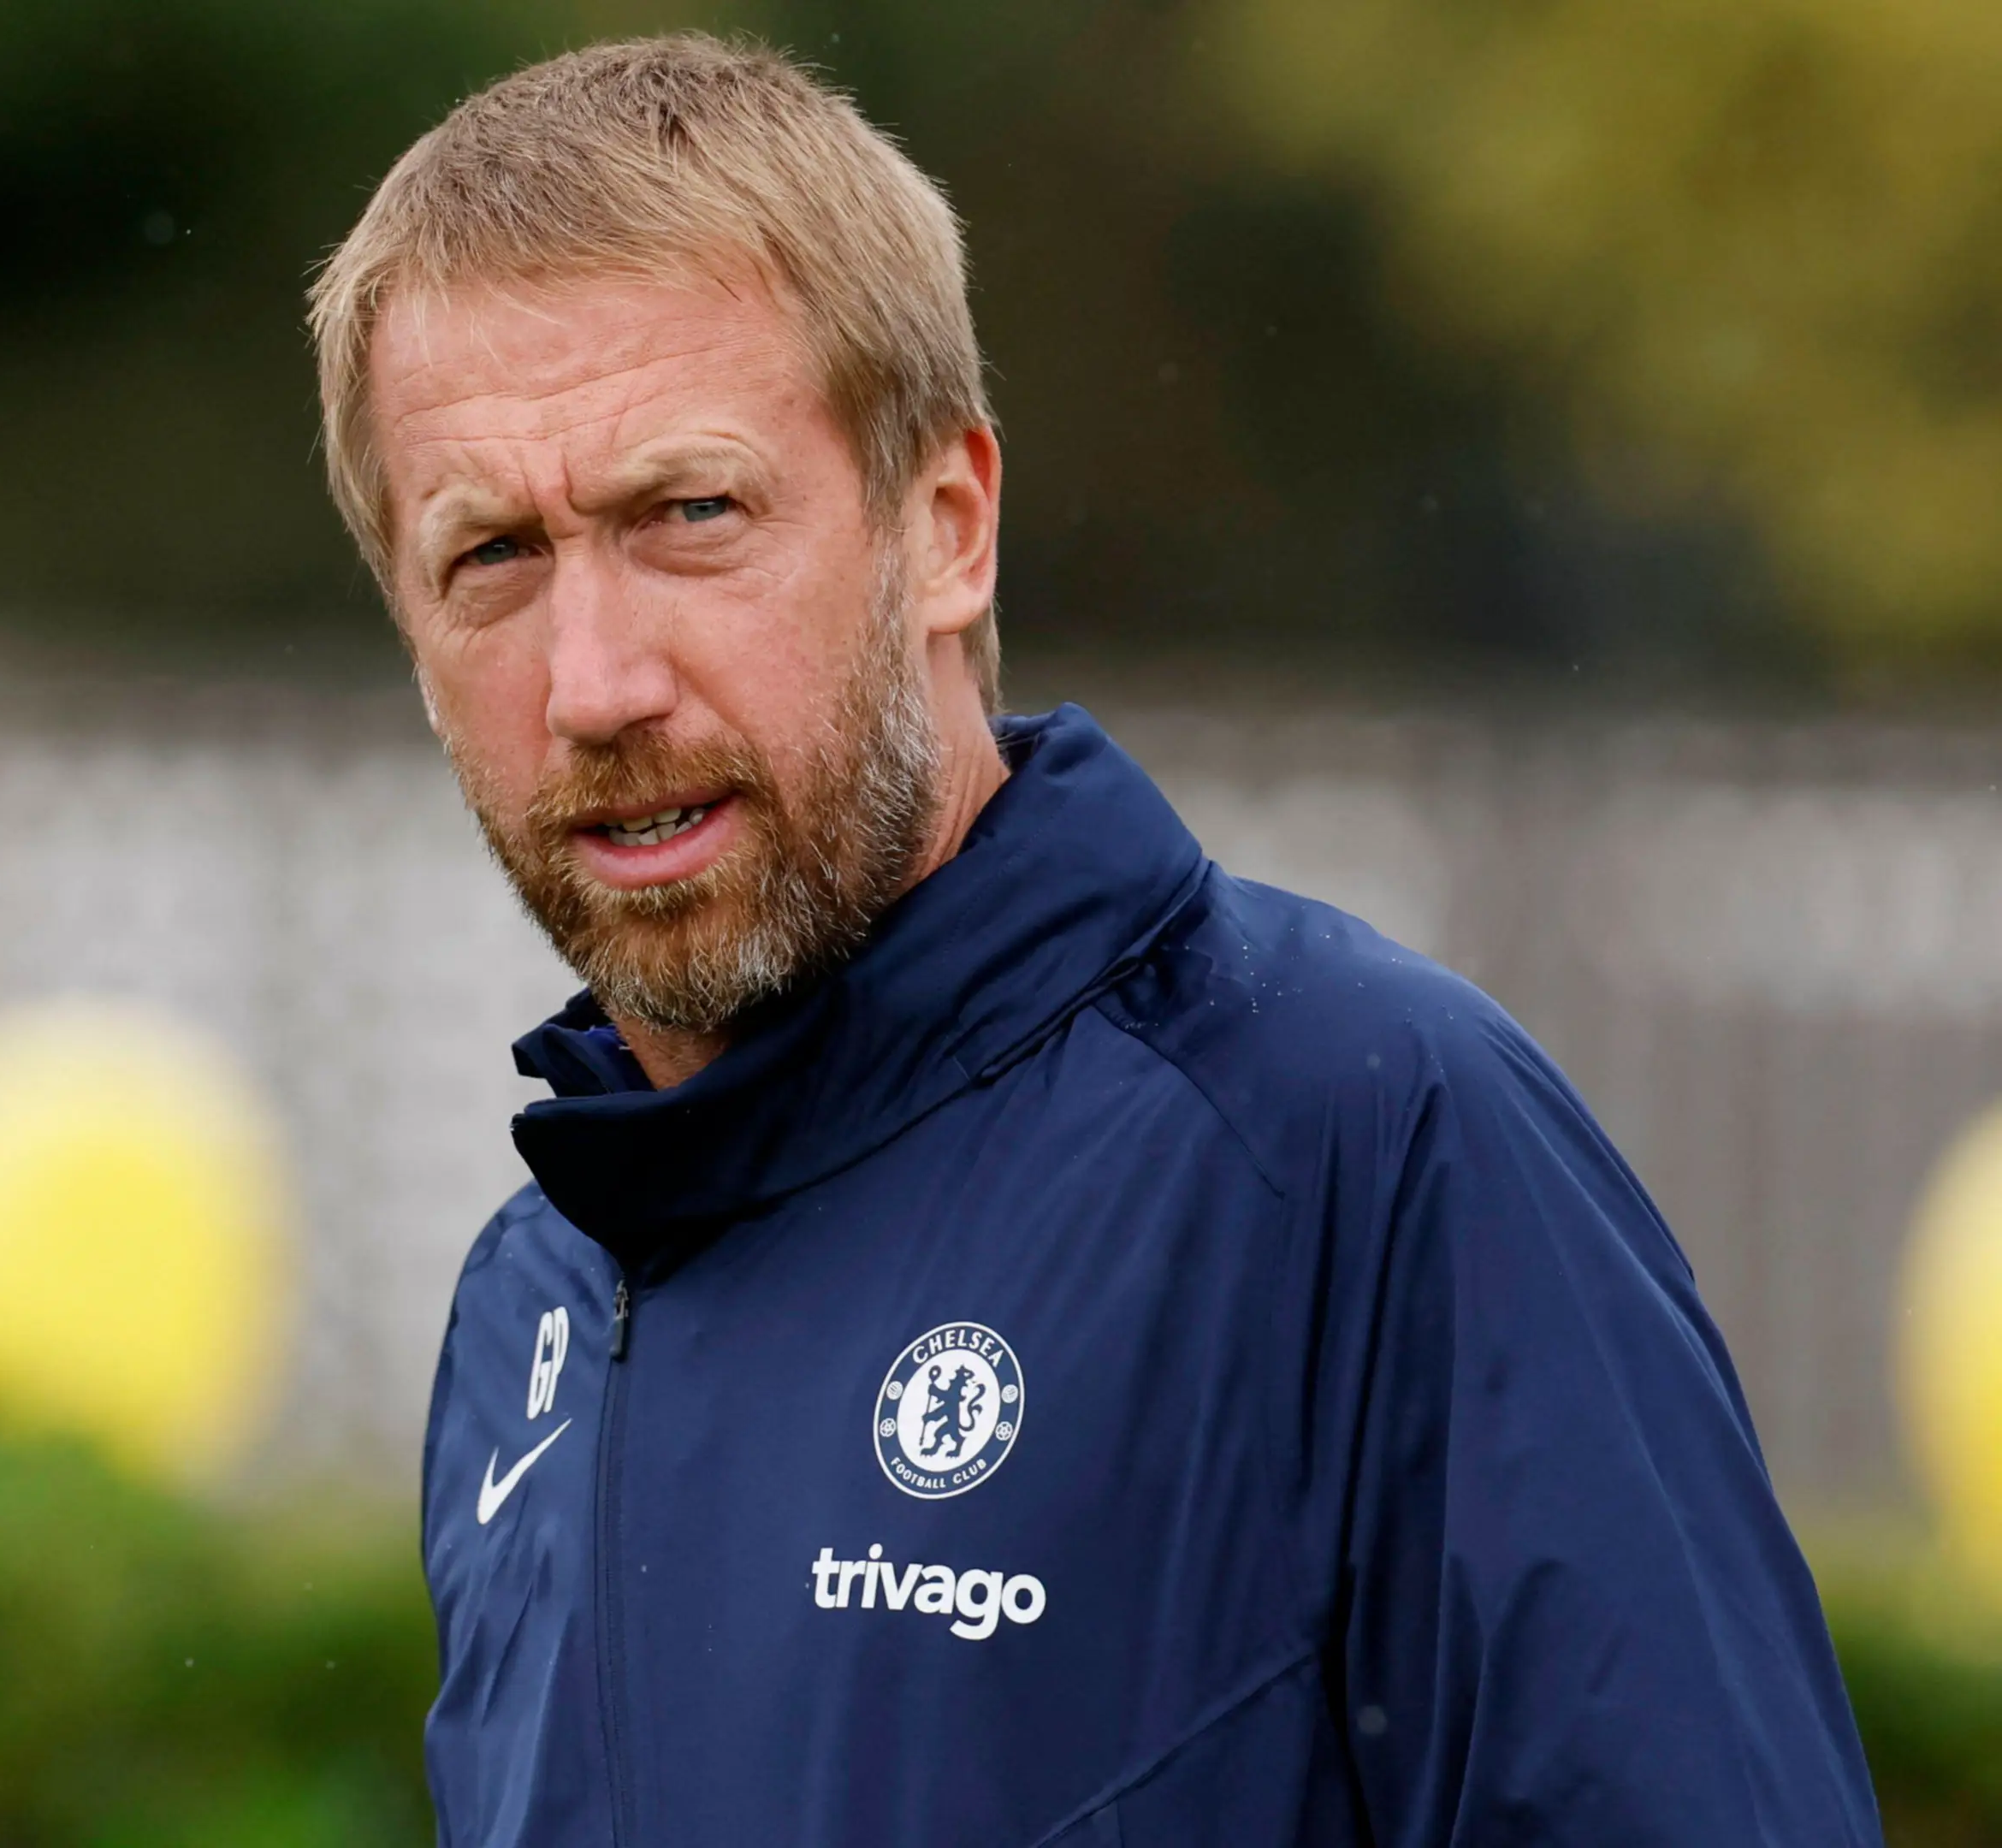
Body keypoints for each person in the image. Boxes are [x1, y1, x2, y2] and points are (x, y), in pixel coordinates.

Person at [305, 33, 1880, 1847]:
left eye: (691, 515)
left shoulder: (1358, 1141)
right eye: (493, 557)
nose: (594, 685)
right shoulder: (538, 1298)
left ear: (946, 530)